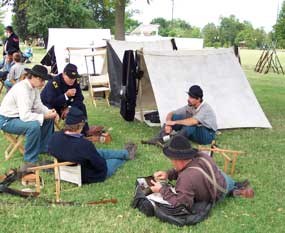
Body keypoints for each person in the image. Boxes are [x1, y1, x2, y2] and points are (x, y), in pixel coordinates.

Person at [149, 135, 254, 210]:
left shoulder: (186, 178)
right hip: (223, 179)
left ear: (178, 159)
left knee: (223, 189)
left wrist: (162, 190)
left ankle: (233, 191)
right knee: (228, 182)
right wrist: (168, 174)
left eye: (172, 159)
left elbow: (182, 204)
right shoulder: (201, 155)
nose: (171, 161)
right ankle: (235, 188)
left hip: (217, 192)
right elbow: (185, 168)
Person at [47, 107, 138, 184]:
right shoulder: (84, 144)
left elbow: (51, 151)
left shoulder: (54, 136)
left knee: (100, 152)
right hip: (86, 174)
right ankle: (126, 155)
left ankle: (125, 152)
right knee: (114, 160)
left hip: (64, 169)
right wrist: (101, 160)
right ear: (80, 126)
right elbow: (101, 166)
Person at [0, 65, 59, 169]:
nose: (43, 83)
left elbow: (38, 106)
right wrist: (44, 116)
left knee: (48, 119)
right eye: (42, 80)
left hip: (17, 117)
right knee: (34, 126)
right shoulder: (22, 90)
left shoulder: (33, 87)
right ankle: (30, 160)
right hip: (7, 120)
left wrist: (50, 112)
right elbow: (25, 116)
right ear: (34, 78)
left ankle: (43, 148)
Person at [142, 85, 217, 147]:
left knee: (190, 124)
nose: (188, 99)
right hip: (196, 132)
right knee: (175, 117)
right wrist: (168, 123)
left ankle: (171, 144)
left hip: (207, 135)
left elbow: (193, 121)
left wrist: (174, 123)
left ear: (198, 99)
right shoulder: (190, 106)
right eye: (189, 96)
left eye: (191, 97)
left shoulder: (205, 108)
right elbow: (171, 113)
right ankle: (158, 139)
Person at [41, 63, 95, 136]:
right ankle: (52, 137)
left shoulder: (75, 82)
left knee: (81, 106)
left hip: (65, 106)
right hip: (50, 107)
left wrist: (69, 108)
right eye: (70, 78)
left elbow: (80, 98)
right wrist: (66, 95)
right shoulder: (54, 83)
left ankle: (84, 131)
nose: (72, 80)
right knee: (50, 111)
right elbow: (51, 101)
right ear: (63, 74)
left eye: (74, 78)